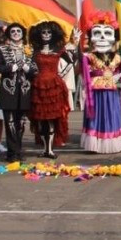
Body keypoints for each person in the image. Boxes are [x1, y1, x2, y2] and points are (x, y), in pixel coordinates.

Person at [80, 14, 121, 154]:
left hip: (111, 92)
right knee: (96, 116)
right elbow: (81, 70)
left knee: (111, 115)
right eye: (97, 33)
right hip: (95, 92)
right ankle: (94, 143)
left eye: (107, 33)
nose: (102, 38)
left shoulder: (117, 57)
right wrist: (79, 49)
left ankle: (110, 142)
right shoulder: (89, 56)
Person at [0, 23, 37, 161]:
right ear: (9, 34)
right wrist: (9, 68)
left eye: (18, 31)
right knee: (10, 123)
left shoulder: (29, 50)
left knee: (21, 123)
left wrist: (27, 68)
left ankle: (18, 150)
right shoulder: (2, 49)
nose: (16, 33)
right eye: (13, 31)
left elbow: (36, 70)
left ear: (23, 34)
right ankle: (12, 152)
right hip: (8, 92)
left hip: (24, 92)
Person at [28, 22, 70, 159]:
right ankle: (44, 149)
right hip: (38, 86)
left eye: (49, 32)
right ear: (39, 35)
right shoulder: (35, 50)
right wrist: (32, 73)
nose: (46, 35)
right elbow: (30, 65)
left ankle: (50, 150)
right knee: (40, 119)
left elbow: (71, 61)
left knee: (52, 119)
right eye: (43, 32)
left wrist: (62, 73)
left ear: (53, 34)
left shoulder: (58, 49)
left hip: (53, 86)